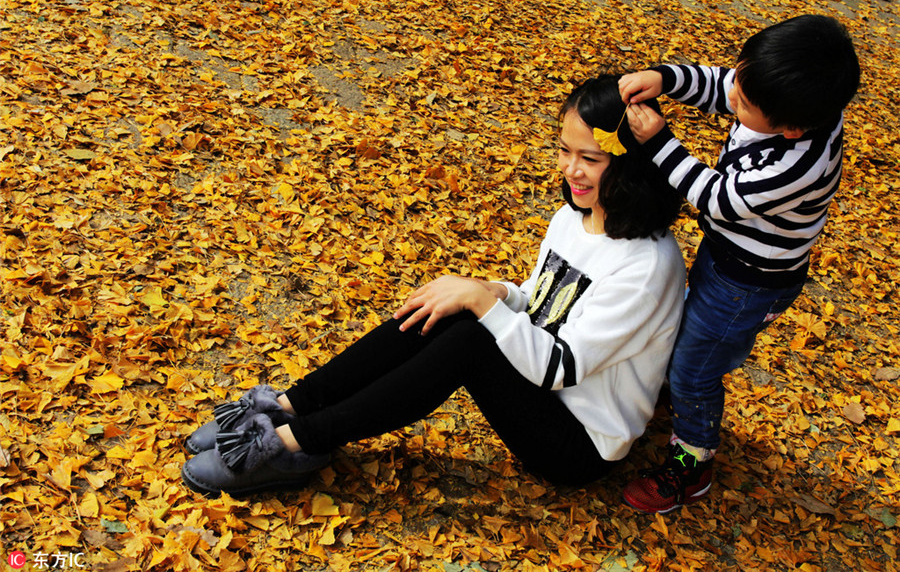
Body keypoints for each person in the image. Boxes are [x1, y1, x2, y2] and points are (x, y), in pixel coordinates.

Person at [180, 75, 686, 498]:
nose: (570, 170)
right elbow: (546, 298)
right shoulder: (576, 215)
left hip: (579, 442)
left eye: (590, 159)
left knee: (470, 335)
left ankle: (292, 445)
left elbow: (558, 366)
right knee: (456, 311)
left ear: (629, 165)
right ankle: (289, 406)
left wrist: (481, 302)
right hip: (540, 388)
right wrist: (494, 291)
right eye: (563, 150)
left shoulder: (646, 265)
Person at [617, 14, 860, 514]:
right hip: (730, 256)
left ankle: (692, 463)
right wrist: (665, 77)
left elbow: (716, 198)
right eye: (740, 79)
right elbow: (721, 84)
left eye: (744, 103)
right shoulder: (782, 98)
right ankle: (674, 399)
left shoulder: (796, 165)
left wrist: (660, 142)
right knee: (685, 331)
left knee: (695, 367)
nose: (732, 98)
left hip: (749, 284)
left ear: (791, 128)